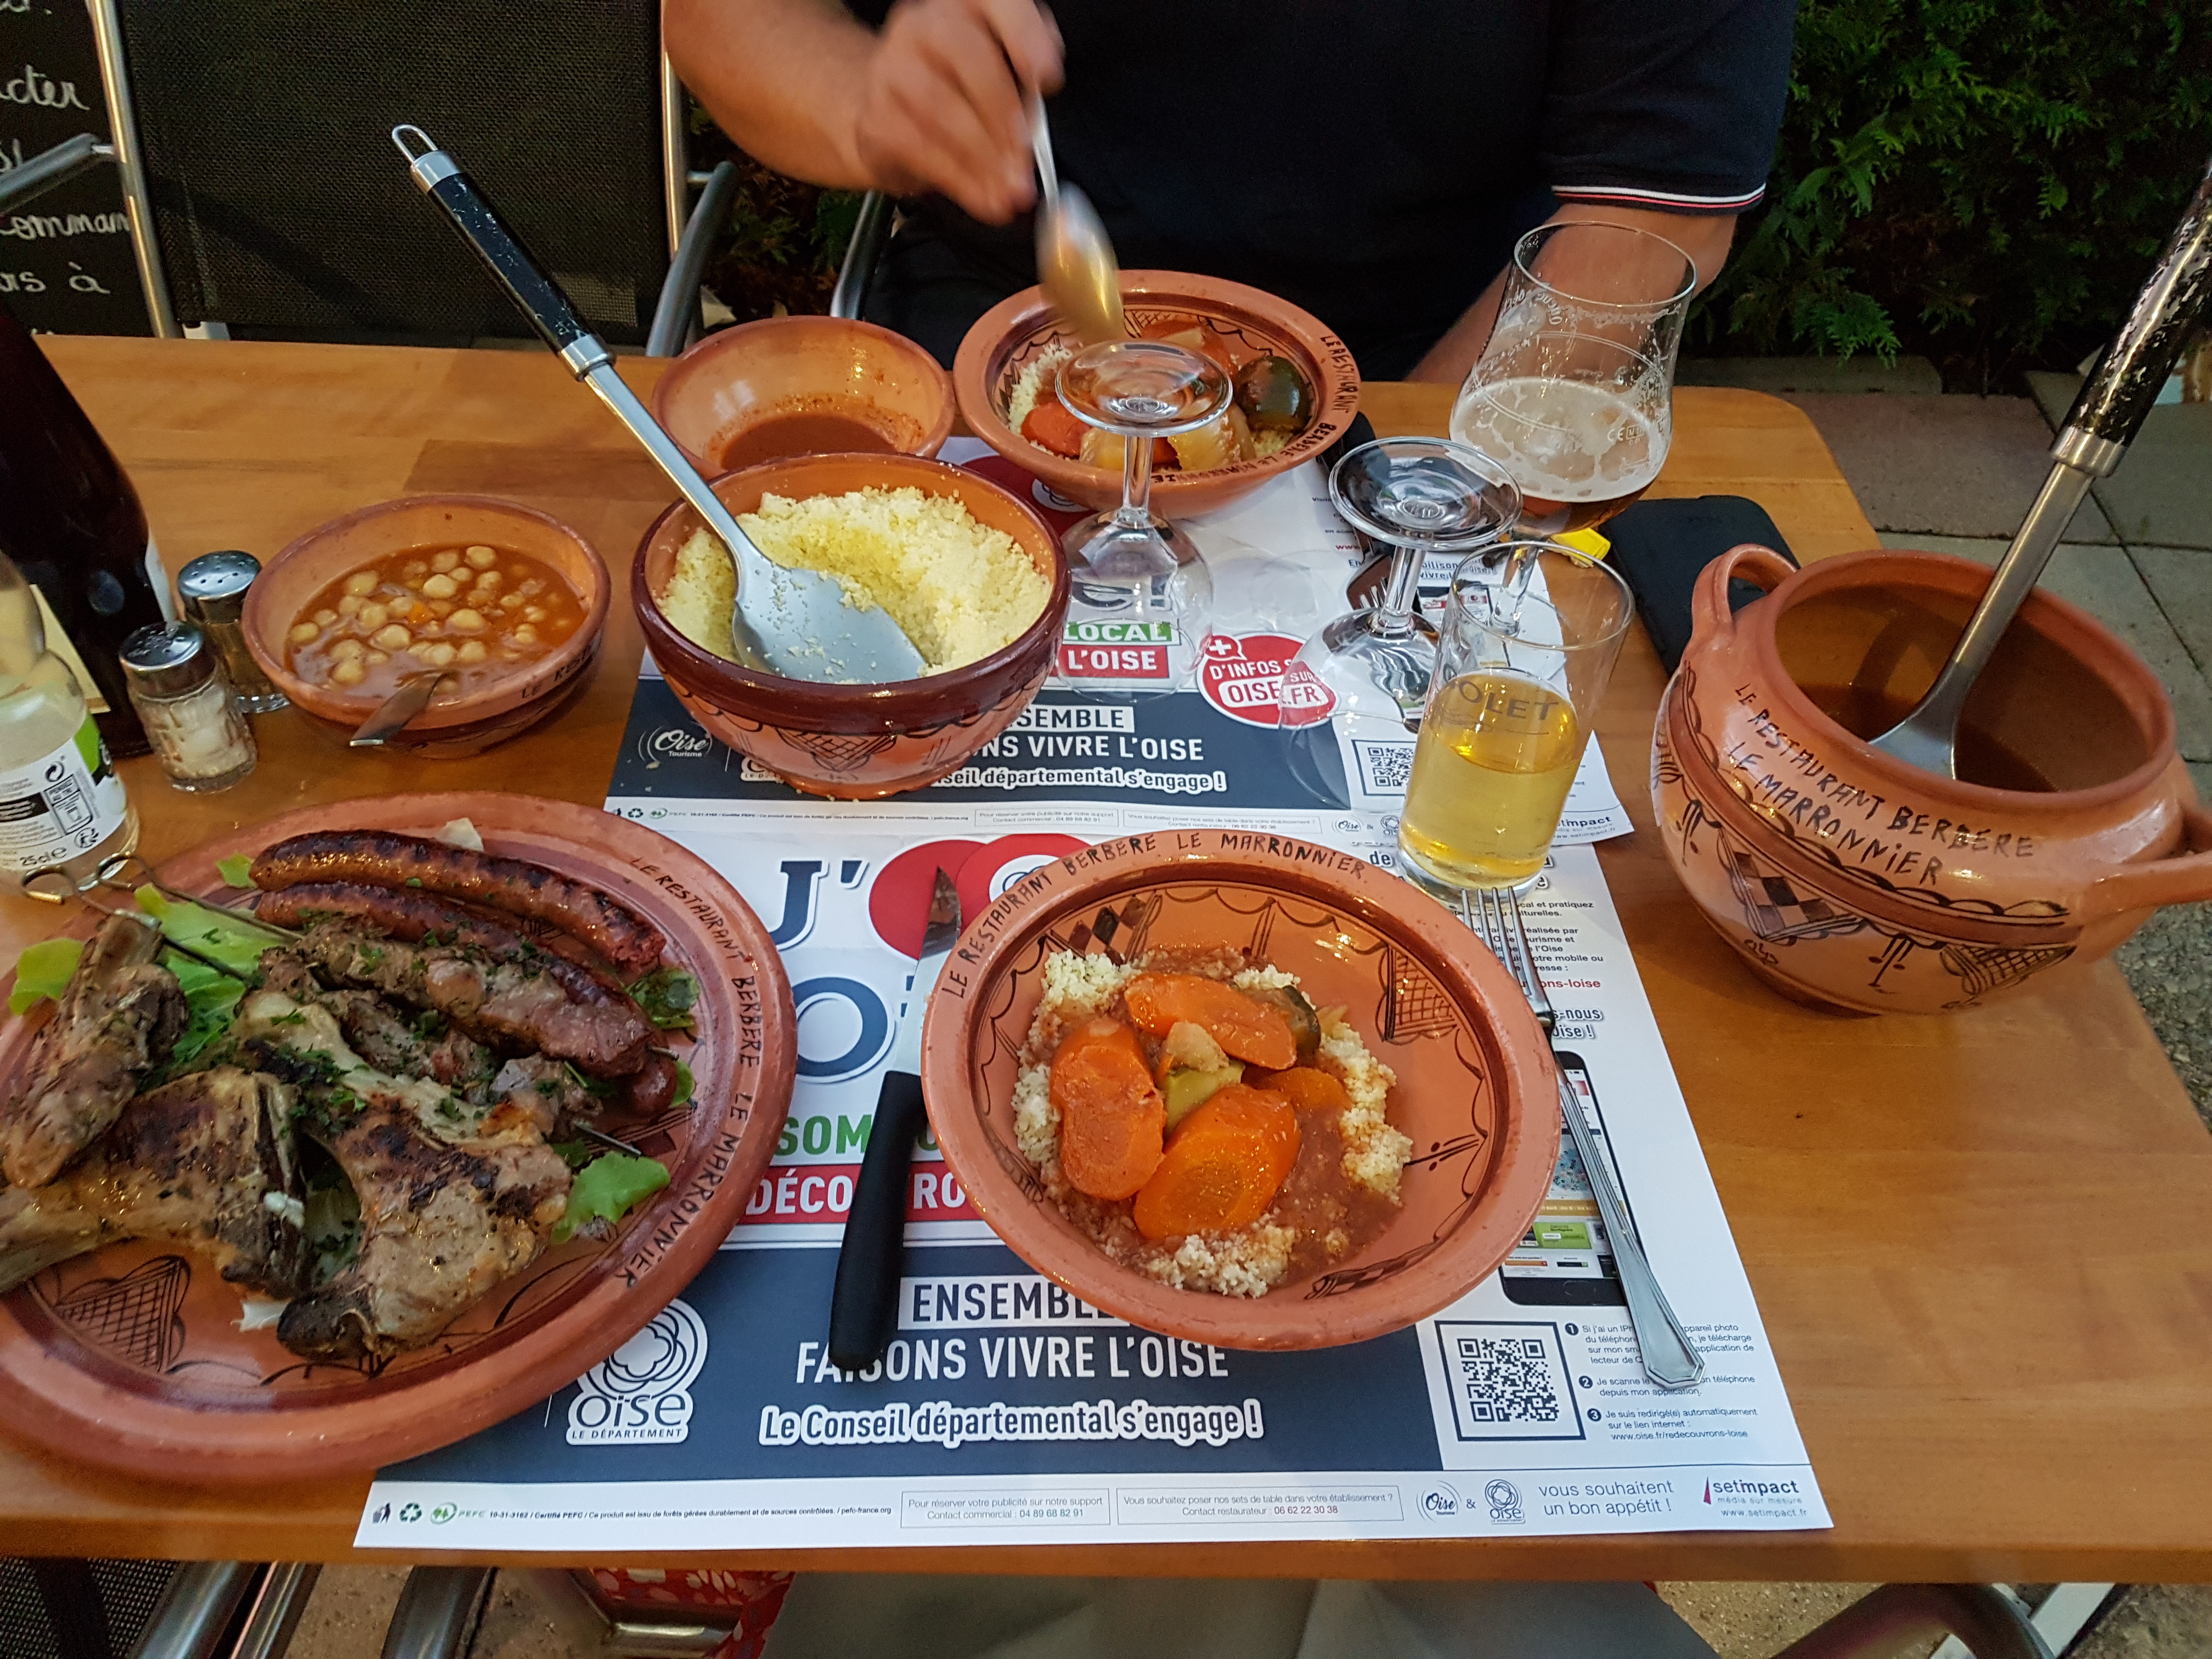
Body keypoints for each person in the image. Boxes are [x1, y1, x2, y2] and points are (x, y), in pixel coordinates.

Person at [665, 0, 1795, 381]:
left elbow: (1647, 214)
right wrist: (869, 104)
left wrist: (1412, 487)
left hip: (1444, 362)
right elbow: (728, 19)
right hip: (995, 323)